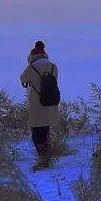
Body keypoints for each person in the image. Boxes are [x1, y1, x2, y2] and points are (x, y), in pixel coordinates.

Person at [20, 40, 60, 168]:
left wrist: (29, 62)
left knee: (36, 132)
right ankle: (46, 156)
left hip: (37, 102)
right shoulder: (53, 66)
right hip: (51, 101)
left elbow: (23, 79)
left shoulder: (32, 67)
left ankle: (43, 158)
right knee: (46, 129)